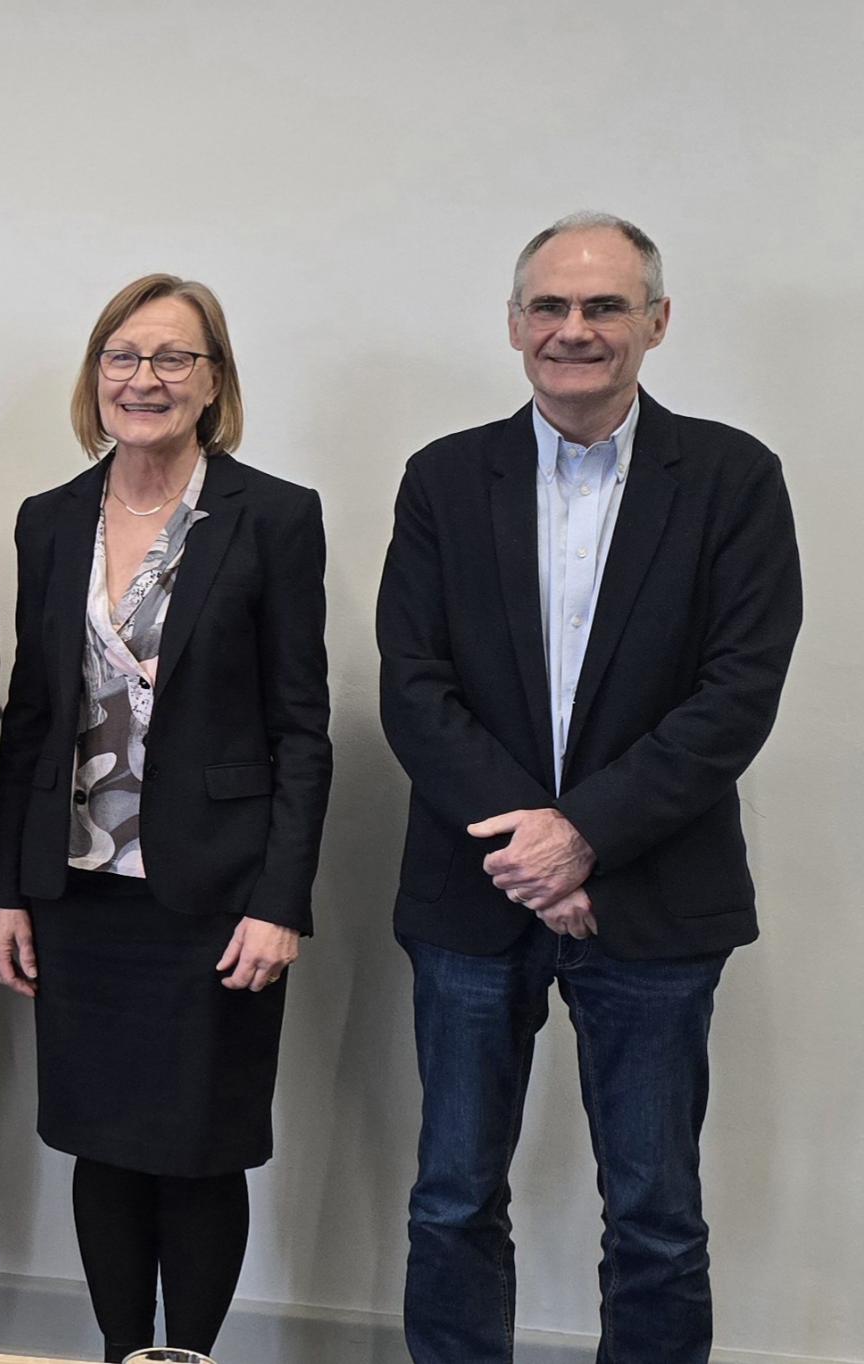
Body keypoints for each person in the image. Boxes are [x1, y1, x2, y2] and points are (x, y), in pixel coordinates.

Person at [377, 212, 802, 1363]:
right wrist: (532, 845)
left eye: (604, 305)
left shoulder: (731, 479)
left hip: (654, 896)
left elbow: (735, 691)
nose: (574, 328)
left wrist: (583, 836)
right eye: (550, 306)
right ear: (513, 324)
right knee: (451, 1198)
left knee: (655, 1216)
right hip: (473, 894)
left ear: (654, 322)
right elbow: (412, 685)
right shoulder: (442, 478)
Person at [0, 274, 331, 1361]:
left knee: (198, 1149)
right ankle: (119, 1351)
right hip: (79, 892)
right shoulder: (49, 520)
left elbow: (301, 729)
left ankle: (187, 1357)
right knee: (103, 1144)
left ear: (212, 380)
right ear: (96, 375)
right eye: (123, 356)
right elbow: (29, 719)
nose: (145, 379)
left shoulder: (273, 516)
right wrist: (6, 890)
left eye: (173, 358)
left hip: (213, 895)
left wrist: (280, 902)